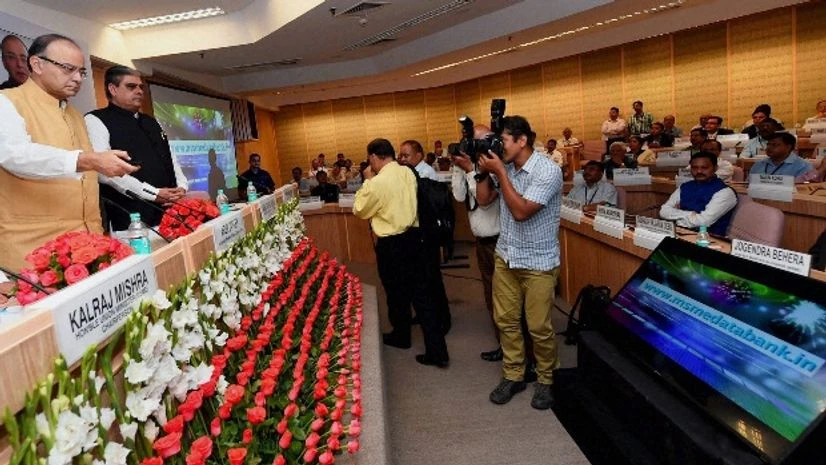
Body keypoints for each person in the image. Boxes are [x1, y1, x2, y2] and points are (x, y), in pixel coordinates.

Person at [0, 34, 137, 270]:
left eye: (81, 72)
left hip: (85, 248)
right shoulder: (7, 102)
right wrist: (86, 160)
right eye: (67, 69)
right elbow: (15, 155)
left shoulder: (74, 115)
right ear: (36, 64)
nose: (77, 78)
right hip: (33, 254)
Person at [475, 115, 562, 410]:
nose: (500, 146)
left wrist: (500, 171)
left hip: (538, 262)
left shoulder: (547, 171)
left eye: (504, 141)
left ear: (522, 140)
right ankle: (514, 375)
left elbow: (522, 211)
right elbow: (484, 199)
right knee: (506, 322)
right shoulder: (506, 167)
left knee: (538, 326)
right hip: (506, 256)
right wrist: (487, 171)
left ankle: (546, 379)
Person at [353, 138, 449, 367]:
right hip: (415, 239)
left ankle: (401, 335)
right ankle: (438, 351)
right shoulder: (407, 172)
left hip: (391, 244)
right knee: (423, 296)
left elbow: (360, 209)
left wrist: (367, 181)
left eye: (371, 160)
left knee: (396, 293)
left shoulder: (376, 183)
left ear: (374, 157)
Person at [85, 66, 188, 230]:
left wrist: (182, 187)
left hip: (170, 210)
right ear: (113, 89)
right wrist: (153, 193)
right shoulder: (96, 120)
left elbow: (170, 157)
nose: (139, 91)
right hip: (131, 219)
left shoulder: (151, 121)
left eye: (141, 87)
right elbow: (104, 172)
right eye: (131, 87)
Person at [452, 124, 503, 361]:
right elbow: (459, 196)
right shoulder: (472, 168)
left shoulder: (495, 168)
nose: (475, 146)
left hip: (499, 243)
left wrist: (472, 171)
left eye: (479, 141)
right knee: (491, 298)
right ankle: (504, 346)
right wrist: (459, 169)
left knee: (506, 300)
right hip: (482, 244)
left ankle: (516, 351)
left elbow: (484, 200)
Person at [399, 139, 452, 334]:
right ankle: (424, 314)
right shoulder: (408, 173)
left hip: (427, 234)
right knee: (421, 279)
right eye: (400, 155)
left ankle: (442, 319)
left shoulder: (426, 173)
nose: (402, 159)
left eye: (406, 155)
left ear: (419, 155)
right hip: (417, 234)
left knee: (432, 279)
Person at [660, 151, 738, 236]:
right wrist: (690, 214)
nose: (699, 171)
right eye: (694, 168)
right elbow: (663, 211)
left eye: (704, 168)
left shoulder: (725, 193)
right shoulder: (685, 186)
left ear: (715, 168)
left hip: (708, 240)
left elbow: (703, 222)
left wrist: (675, 216)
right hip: (679, 233)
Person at [751, 132, 816, 180]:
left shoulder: (803, 166)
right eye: (768, 144)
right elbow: (748, 186)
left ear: (788, 147)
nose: (769, 147)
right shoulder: (759, 164)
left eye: (774, 145)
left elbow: (803, 190)